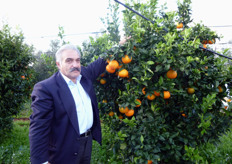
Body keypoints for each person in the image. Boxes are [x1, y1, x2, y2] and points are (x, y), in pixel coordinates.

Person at [29, 38, 128, 164]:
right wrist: (40, 161)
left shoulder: (84, 75)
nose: (75, 65)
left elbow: (101, 62)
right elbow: (39, 127)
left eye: (77, 60)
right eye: (69, 61)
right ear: (58, 64)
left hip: (86, 142)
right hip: (63, 148)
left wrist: (119, 45)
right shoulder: (46, 88)